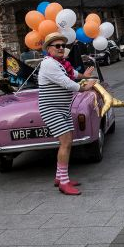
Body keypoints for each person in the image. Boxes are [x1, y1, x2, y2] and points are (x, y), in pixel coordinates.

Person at [38, 32, 97, 195]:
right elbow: (66, 82)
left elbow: (71, 74)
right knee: (65, 142)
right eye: (57, 46)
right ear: (48, 49)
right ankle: (64, 183)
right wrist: (84, 86)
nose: (61, 48)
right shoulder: (49, 64)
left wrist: (83, 76)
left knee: (68, 140)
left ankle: (60, 177)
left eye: (63, 46)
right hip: (51, 108)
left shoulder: (61, 63)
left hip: (62, 108)